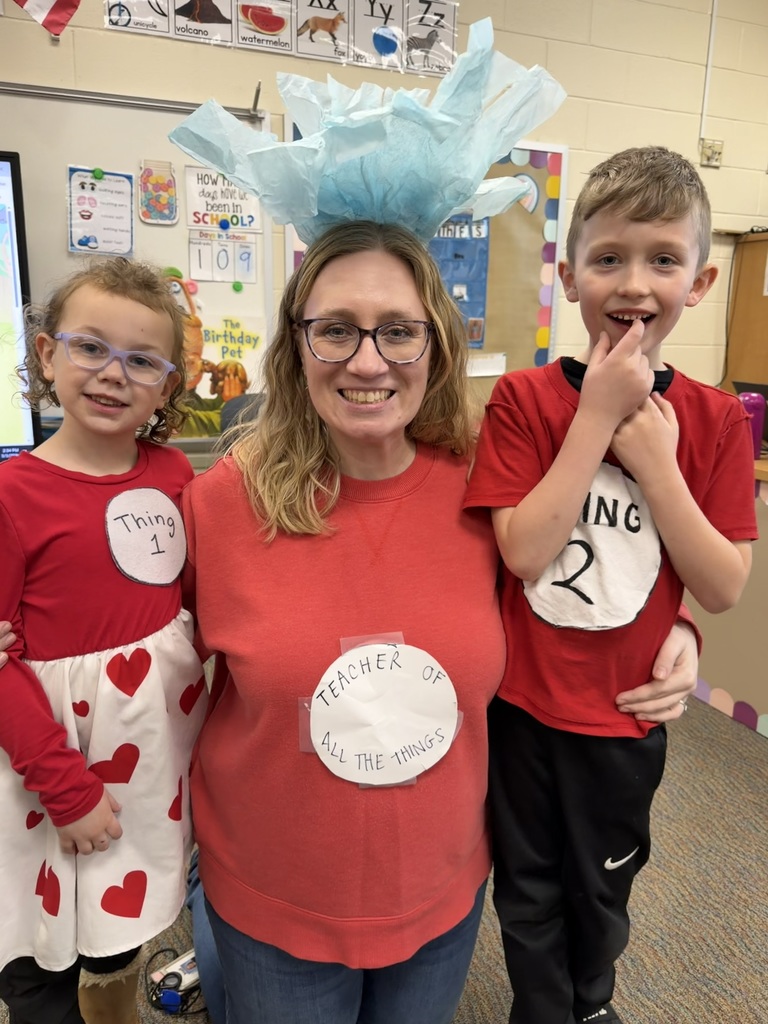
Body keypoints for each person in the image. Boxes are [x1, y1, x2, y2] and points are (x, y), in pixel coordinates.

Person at [180, 219, 701, 1024]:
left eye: (398, 331)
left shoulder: (488, 485)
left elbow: (578, 584)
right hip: (274, 900)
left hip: (440, 894)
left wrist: (678, 631)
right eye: (335, 331)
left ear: (437, 346)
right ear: (296, 345)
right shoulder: (220, 504)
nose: (366, 361)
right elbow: (137, 649)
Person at [463, 146, 758, 1024]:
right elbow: (521, 552)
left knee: (603, 886)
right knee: (526, 884)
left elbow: (722, 586)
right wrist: (596, 418)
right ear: (569, 273)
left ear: (699, 281)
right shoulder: (522, 402)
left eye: (663, 259)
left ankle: (591, 1002)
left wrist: (659, 469)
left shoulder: (710, 423)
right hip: (522, 709)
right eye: (609, 258)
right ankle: (544, 1009)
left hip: (627, 717)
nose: (635, 282)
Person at [0, 258, 207, 1024]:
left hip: (151, 757)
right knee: (39, 945)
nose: (113, 375)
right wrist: (63, 785)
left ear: (166, 387)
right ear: (47, 355)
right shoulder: (11, 498)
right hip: (47, 763)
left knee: (118, 935)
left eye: (142, 360)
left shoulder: (176, 475)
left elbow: (199, 605)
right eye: (90, 348)